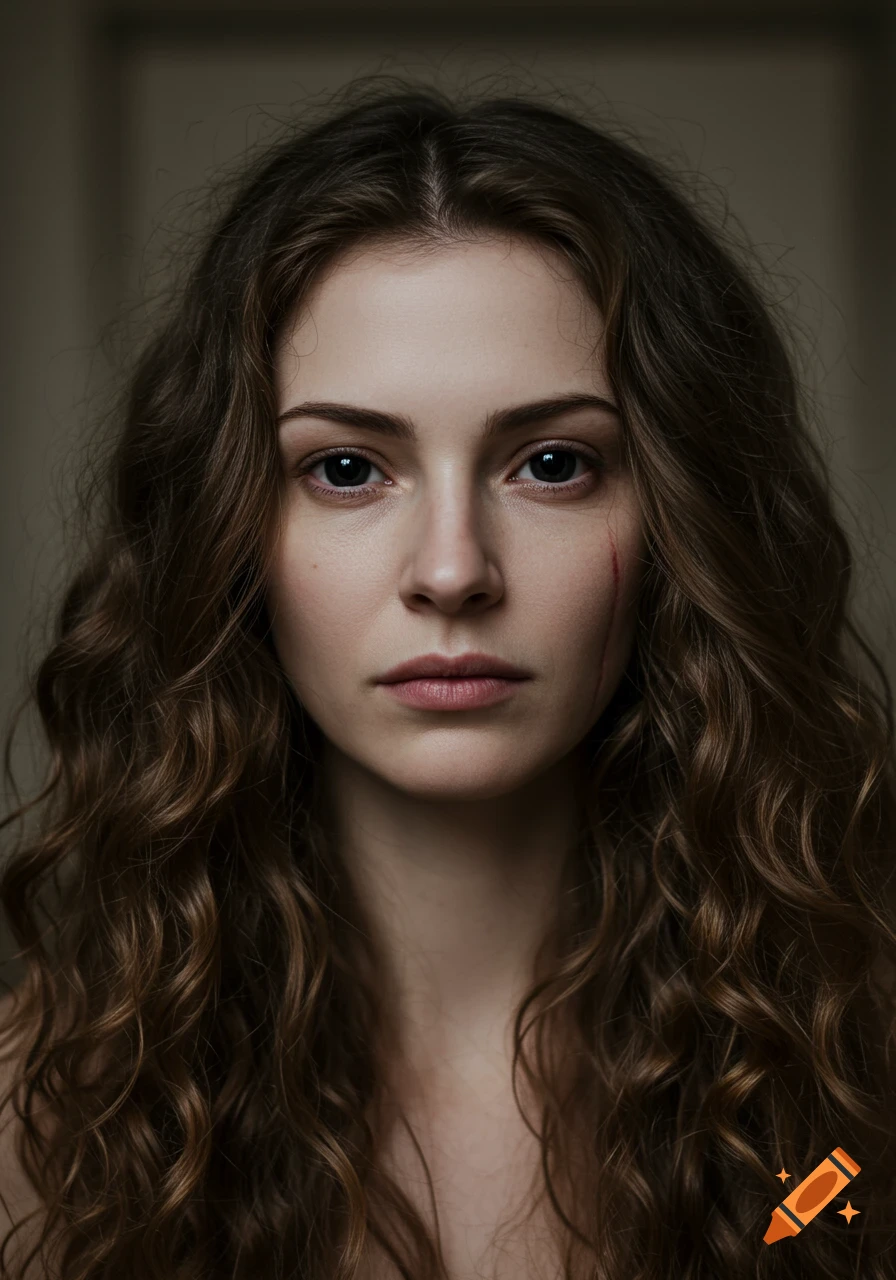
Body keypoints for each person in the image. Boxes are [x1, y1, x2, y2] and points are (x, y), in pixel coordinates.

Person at [0, 74, 894, 1280]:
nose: (452, 570)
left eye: (551, 461)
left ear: (683, 521)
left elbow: (829, 1224)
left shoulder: (830, 1105)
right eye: (347, 469)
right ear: (226, 534)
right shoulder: (55, 1118)